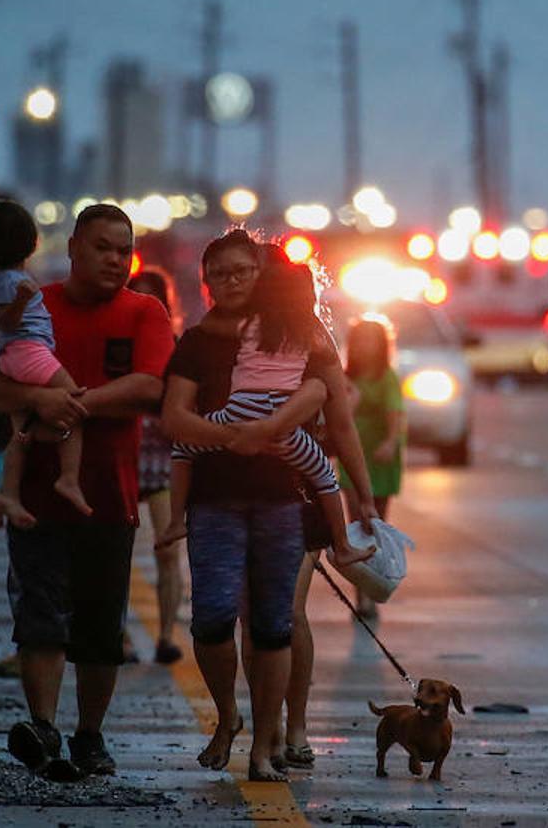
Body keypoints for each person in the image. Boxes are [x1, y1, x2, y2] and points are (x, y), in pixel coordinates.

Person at [161, 229, 381, 782]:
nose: (231, 281)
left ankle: (280, 735)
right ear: (206, 281)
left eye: (243, 271)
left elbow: (342, 423)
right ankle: (241, 720)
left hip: (290, 498)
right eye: (220, 273)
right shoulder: (200, 340)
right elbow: (176, 421)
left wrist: (364, 496)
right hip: (217, 498)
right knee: (219, 619)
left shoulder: (304, 335)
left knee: (277, 622)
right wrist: (233, 437)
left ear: (261, 276)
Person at [0, 203, 173, 779]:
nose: (115, 259)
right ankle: (43, 726)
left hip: (112, 494)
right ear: (74, 250)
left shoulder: (145, 311)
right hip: (34, 498)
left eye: (123, 249)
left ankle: (90, 734)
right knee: (37, 616)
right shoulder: (38, 303)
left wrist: (71, 403)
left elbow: (150, 387)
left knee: (100, 628)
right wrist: (37, 399)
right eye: (103, 247)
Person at [163, 255, 374, 569]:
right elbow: (337, 410)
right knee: (326, 477)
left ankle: (174, 520)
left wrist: (238, 433)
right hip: (281, 425)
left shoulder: (244, 325)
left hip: (238, 410)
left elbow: (212, 325)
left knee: (183, 449)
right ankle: (342, 546)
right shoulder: (310, 333)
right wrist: (366, 499)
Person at [0, 200, 91, 527]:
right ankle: (69, 477)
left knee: (19, 435)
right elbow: (6, 324)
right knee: (75, 406)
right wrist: (24, 299)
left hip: (13, 357)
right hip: (29, 352)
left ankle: (9, 494)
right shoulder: (12, 281)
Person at [128, 264, 186, 665]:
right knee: (116, 553)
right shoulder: (116, 341)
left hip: (165, 460)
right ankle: (118, 637)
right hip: (123, 455)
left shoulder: (178, 347)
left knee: (168, 551)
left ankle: (166, 636)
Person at [337, 318, 407, 617]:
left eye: (372, 341)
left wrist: (391, 442)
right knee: (356, 527)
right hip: (353, 457)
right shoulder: (344, 376)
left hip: (380, 458)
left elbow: (395, 413)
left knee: (376, 525)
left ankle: (374, 588)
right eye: (360, 341)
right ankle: (361, 597)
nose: (366, 347)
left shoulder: (386, 377)